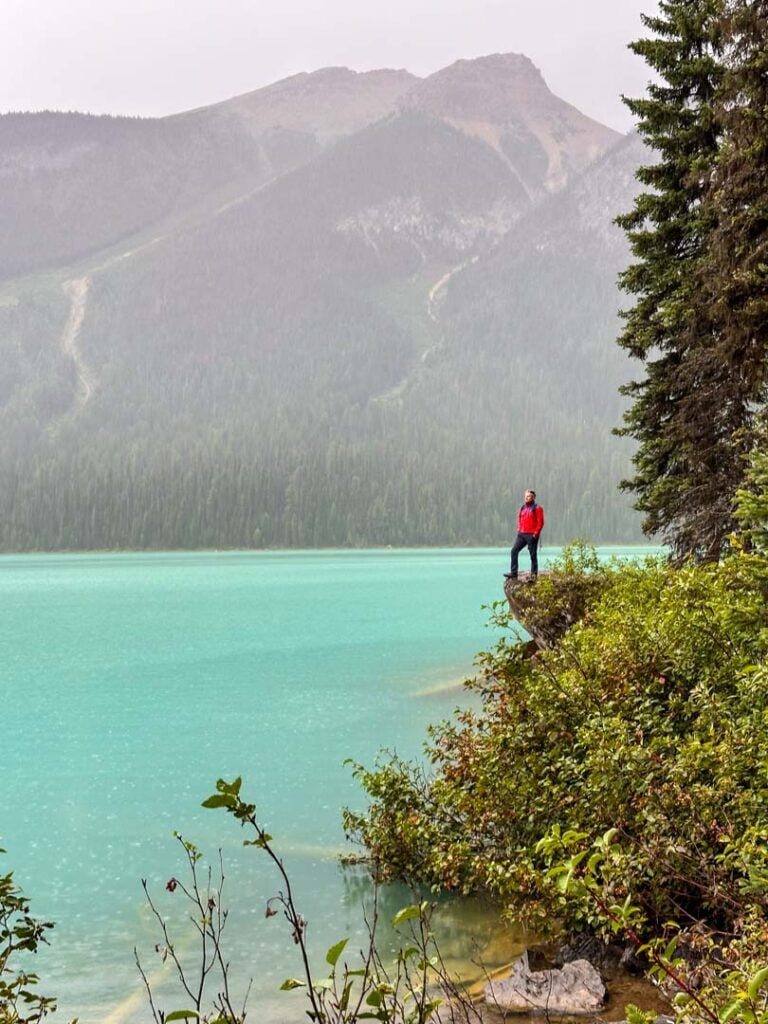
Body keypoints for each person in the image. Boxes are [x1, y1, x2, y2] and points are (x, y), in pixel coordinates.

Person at [506, 489, 544, 581]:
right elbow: (519, 518)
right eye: (526, 496)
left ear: (533, 497)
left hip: (532, 535)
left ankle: (534, 576)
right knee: (514, 550)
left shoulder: (537, 508)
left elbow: (540, 522)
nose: (527, 498)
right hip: (522, 534)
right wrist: (519, 529)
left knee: (533, 555)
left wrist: (536, 534)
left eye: (529, 496)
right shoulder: (522, 508)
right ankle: (514, 572)